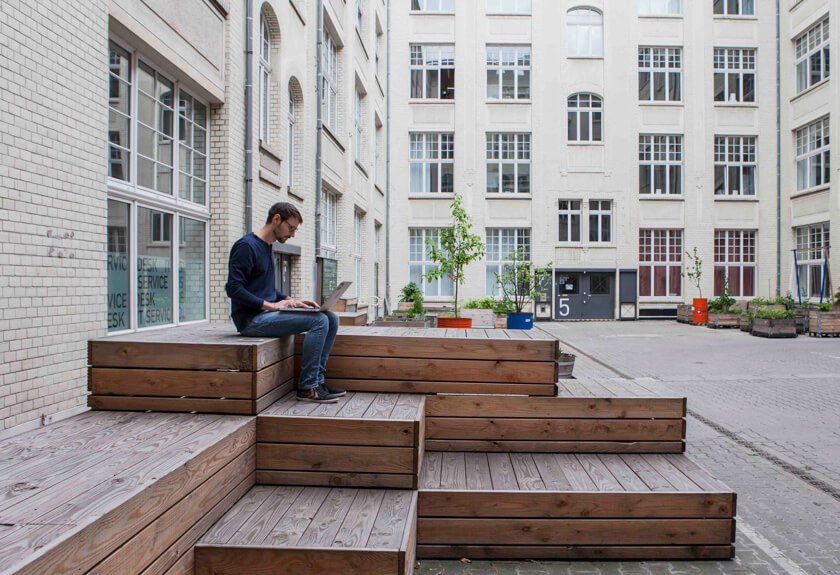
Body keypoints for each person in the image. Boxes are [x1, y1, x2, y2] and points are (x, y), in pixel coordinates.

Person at [225, 202, 343, 403]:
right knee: (319, 322)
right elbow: (233, 288)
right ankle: (307, 388)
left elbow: (266, 290)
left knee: (331, 318)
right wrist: (270, 305)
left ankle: (317, 381)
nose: (292, 234)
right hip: (251, 320)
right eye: (291, 228)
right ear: (276, 219)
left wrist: (290, 300)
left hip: (266, 315)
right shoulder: (246, 246)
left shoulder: (268, 248)